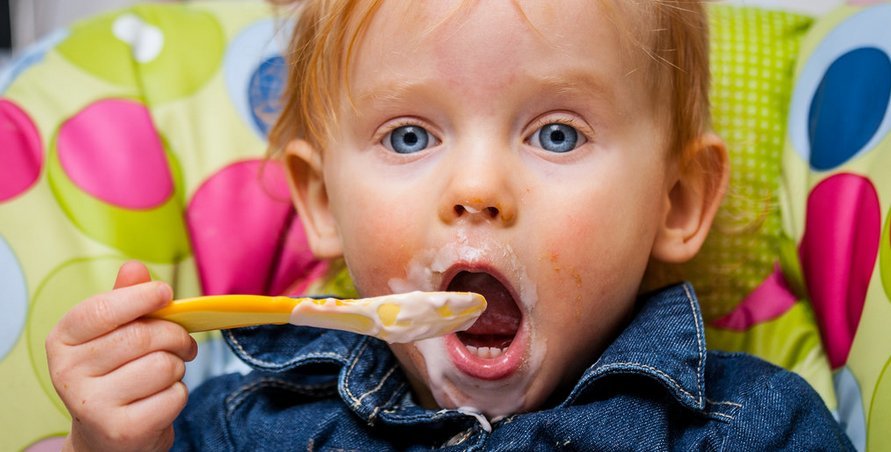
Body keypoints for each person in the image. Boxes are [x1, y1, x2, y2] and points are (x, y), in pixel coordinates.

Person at [45, 0, 854, 450]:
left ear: (673, 202)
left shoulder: (752, 432)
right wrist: (107, 441)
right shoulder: (243, 423)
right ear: (321, 202)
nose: (475, 189)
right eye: (408, 137)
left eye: (557, 134)